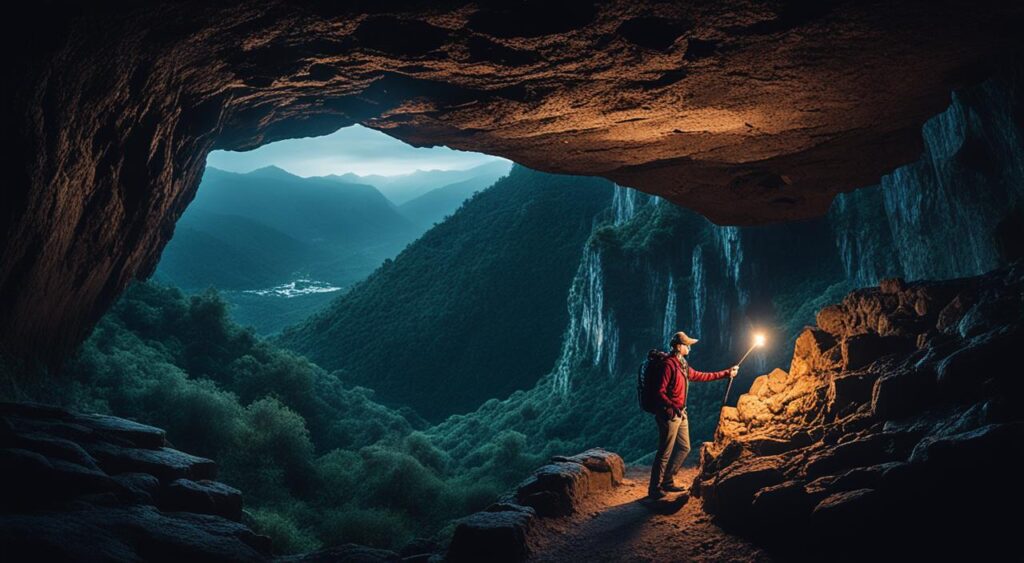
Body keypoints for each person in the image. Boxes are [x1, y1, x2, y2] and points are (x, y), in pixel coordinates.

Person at [648, 331, 738, 499]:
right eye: (687, 344)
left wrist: (727, 373)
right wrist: (673, 408)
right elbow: (659, 391)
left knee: (684, 447)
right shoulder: (669, 365)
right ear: (679, 346)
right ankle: (654, 488)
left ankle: (667, 481)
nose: (689, 347)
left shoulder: (682, 364)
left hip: (681, 413)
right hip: (670, 414)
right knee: (664, 452)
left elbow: (701, 376)